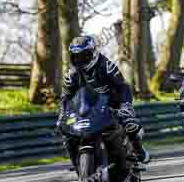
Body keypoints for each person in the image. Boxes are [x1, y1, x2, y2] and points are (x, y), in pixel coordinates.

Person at [58, 35, 150, 163]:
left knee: (129, 123)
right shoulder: (71, 75)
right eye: (76, 57)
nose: (81, 60)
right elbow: (66, 97)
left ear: (94, 53)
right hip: (86, 109)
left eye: (85, 55)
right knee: (67, 133)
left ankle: (138, 150)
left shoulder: (106, 66)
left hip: (112, 104)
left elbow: (122, 87)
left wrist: (125, 106)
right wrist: (63, 114)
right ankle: (76, 162)